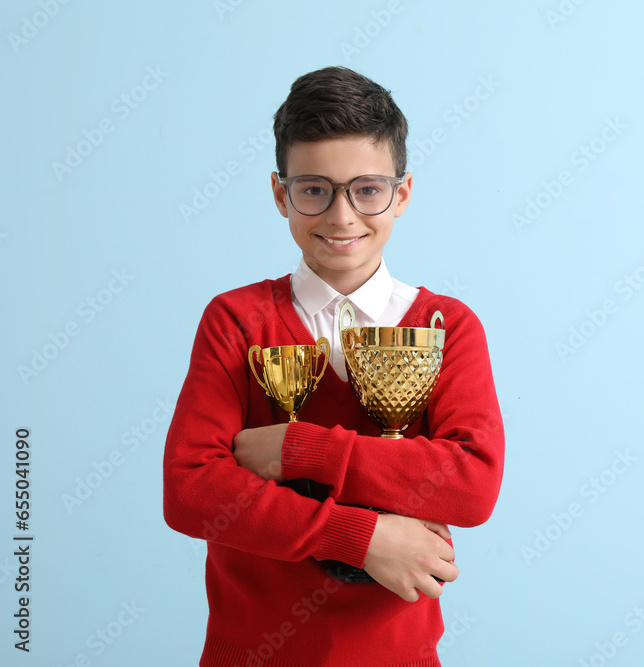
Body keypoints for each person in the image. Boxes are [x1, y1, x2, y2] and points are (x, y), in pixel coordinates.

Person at [162, 66, 504, 667]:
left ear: (402, 193)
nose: (343, 217)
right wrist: (363, 537)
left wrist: (299, 450)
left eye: (367, 189)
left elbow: (472, 485)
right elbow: (191, 490)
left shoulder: (446, 326)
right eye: (314, 189)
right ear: (279, 193)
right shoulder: (237, 321)